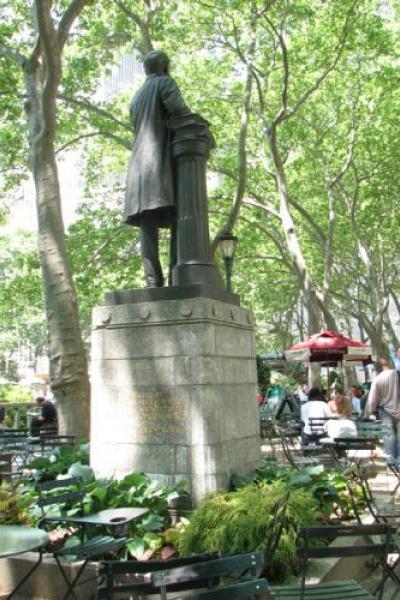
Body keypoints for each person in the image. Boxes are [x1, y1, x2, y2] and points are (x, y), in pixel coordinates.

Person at [124, 50, 190, 287]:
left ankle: (152, 281)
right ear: (164, 66)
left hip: (138, 170)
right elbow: (179, 111)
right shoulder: (165, 83)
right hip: (161, 163)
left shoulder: (136, 97)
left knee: (148, 224)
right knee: (180, 217)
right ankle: (176, 276)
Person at [366, 358, 400, 465]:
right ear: (387, 364)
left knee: (389, 438)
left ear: (378, 368)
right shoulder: (397, 374)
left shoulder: (377, 379)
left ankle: (391, 463)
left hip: (386, 411)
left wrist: (368, 413)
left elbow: (372, 401)